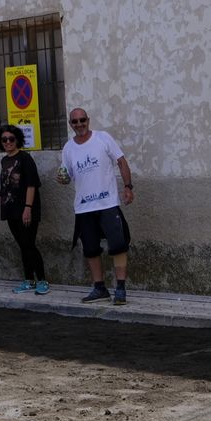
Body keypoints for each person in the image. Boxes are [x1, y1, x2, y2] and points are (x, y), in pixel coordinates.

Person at [57, 107, 134, 305]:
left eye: (82, 120)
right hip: (84, 207)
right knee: (91, 249)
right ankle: (100, 288)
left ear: (88, 120)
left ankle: (120, 289)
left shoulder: (103, 138)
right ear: (70, 124)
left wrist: (128, 186)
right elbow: (67, 176)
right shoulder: (68, 148)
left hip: (107, 203)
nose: (79, 124)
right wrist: (62, 179)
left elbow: (121, 162)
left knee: (118, 246)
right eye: (75, 121)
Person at [0, 124, 47, 294]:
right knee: (22, 246)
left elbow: (31, 185)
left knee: (29, 244)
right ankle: (29, 280)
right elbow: (10, 184)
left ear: (17, 140)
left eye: (11, 139)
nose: (8, 142)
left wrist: (28, 208)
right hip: (10, 210)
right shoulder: (4, 160)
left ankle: (42, 281)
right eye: (4, 139)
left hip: (26, 210)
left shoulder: (25, 158)